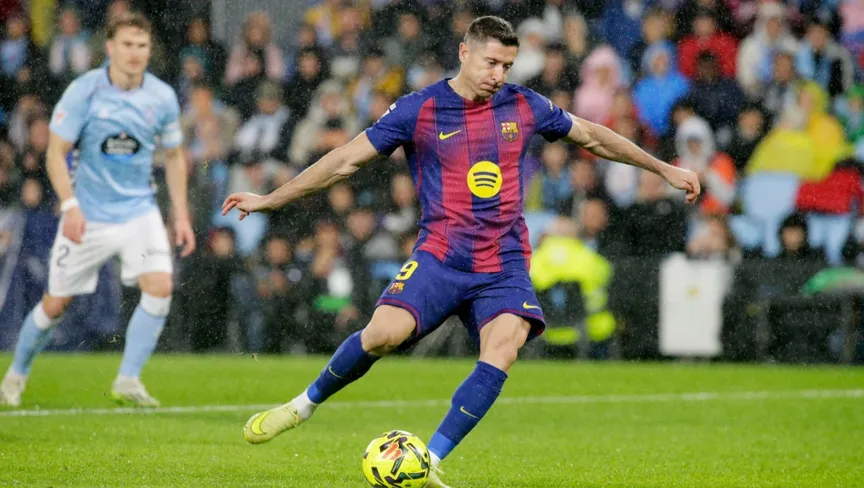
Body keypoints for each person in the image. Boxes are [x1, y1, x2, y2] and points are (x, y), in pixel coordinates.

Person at [222, 16, 699, 487]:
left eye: (507, 66)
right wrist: (272, 198)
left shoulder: (524, 104)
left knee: (504, 348)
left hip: (503, 263)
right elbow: (345, 160)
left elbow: (593, 135)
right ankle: (301, 406)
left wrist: (663, 169)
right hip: (440, 256)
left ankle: (426, 461)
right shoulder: (421, 108)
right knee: (382, 334)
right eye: (491, 63)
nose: (499, 75)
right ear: (464, 53)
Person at [0, 12, 195, 408]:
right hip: (88, 214)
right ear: (110, 48)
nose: (135, 52)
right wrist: (70, 206)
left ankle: (128, 379)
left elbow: (175, 155)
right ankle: (15, 375)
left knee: (160, 287)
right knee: (55, 304)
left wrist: (181, 213)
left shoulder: (161, 96)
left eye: (142, 45)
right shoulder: (84, 91)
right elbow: (56, 152)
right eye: (127, 44)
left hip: (139, 210)